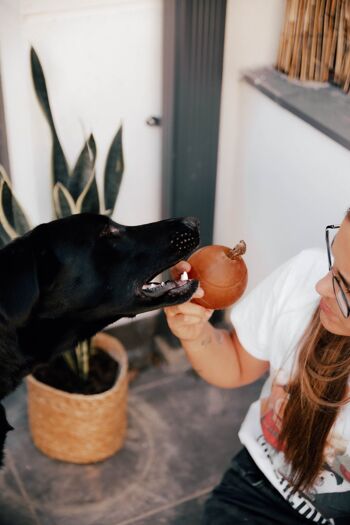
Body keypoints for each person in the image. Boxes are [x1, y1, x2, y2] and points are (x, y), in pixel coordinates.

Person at [164, 211, 350, 525]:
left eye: (346, 287)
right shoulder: (303, 275)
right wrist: (195, 334)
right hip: (259, 487)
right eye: (334, 262)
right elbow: (235, 365)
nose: (320, 286)